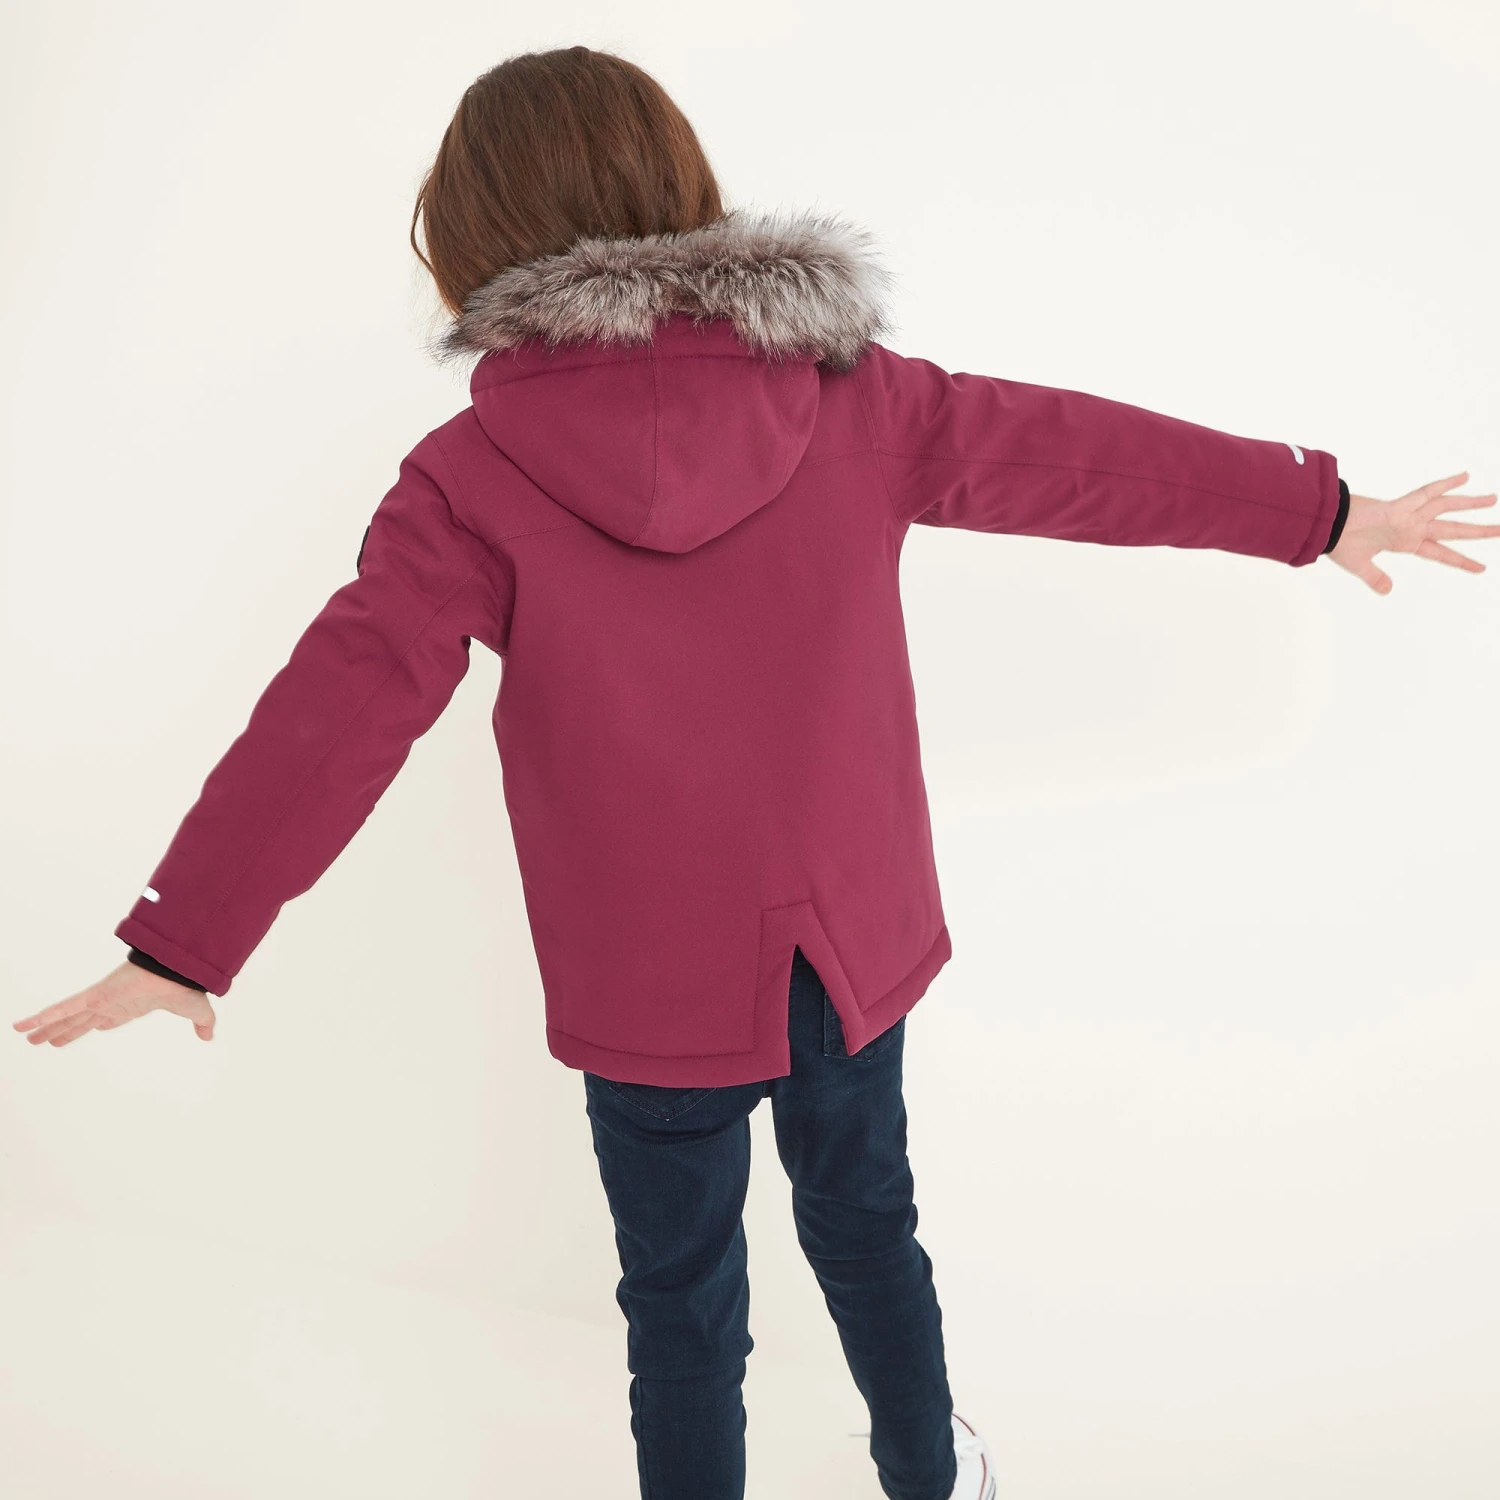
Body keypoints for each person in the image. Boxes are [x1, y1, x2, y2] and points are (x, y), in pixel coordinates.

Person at [13, 43, 1498, 1500]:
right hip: (844, 939)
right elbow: (1078, 457)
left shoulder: (467, 476)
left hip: (642, 976)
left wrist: (183, 940)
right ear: (677, 182)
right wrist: (1320, 510)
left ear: (472, 234)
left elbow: (338, 710)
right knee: (869, 1229)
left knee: (677, 1301)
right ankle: (931, 1478)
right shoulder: (854, 397)